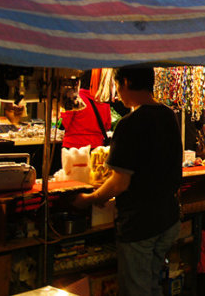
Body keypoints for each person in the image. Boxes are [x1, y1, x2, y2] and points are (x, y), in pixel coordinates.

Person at [73, 67, 183, 295]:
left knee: (137, 290)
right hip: (169, 218)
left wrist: (91, 198)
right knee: (153, 284)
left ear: (125, 82)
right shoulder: (169, 116)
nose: (118, 93)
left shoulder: (129, 124)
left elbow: (120, 182)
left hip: (141, 223)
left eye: (118, 86)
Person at [61, 71, 111, 149]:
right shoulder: (104, 100)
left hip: (74, 147)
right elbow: (107, 125)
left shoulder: (75, 99)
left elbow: (63, 124)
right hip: (96, 147)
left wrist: (57, 119)